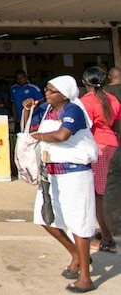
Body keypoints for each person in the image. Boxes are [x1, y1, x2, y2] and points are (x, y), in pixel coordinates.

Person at [23, 75, 97, 293]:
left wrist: (39, 136)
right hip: (52, 174)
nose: (46, 94)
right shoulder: (48, 110)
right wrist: (27, 111)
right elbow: (31, 129)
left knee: (79, 224)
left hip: (74, 175)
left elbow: (63, 134)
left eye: (51, 91)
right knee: (44, 217)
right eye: (46, 89)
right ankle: (75, 253)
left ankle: (85, 277)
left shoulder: (73, 110)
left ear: (64, 94)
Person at [79, 67, 121, 254]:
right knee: (109, 192)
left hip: (96, 149)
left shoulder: (85, 102)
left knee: (99, 196)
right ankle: (108, 232)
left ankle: (107, 239)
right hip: (112, 145)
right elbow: (117, 127)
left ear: (84, 82)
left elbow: (81, 129)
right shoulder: (113, 99)